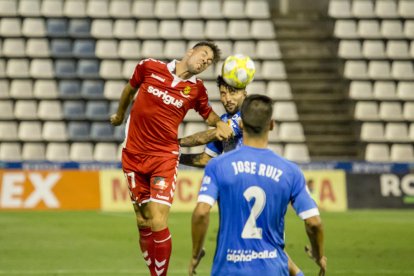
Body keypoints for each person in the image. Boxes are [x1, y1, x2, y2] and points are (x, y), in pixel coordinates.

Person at [110, 41, 234, 276]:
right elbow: (129, 89)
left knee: (157, 219)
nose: (204, 62)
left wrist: (220, 123)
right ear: (190, 52)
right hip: (133, 154)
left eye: (208, 62)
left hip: (164, 156)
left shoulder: (196, 89)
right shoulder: (149, 66)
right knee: (142, 220)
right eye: (203, 55)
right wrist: (119, 114)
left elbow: (207, 113)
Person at [188, 95, 327, 276]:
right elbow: (314, 223)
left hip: (228, 269)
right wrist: (318, 256)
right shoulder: (291, 172)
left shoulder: (217, 166)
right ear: (271, 125)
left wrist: (195, 255)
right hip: (272, 269)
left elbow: (201, 213)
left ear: (242, 124)